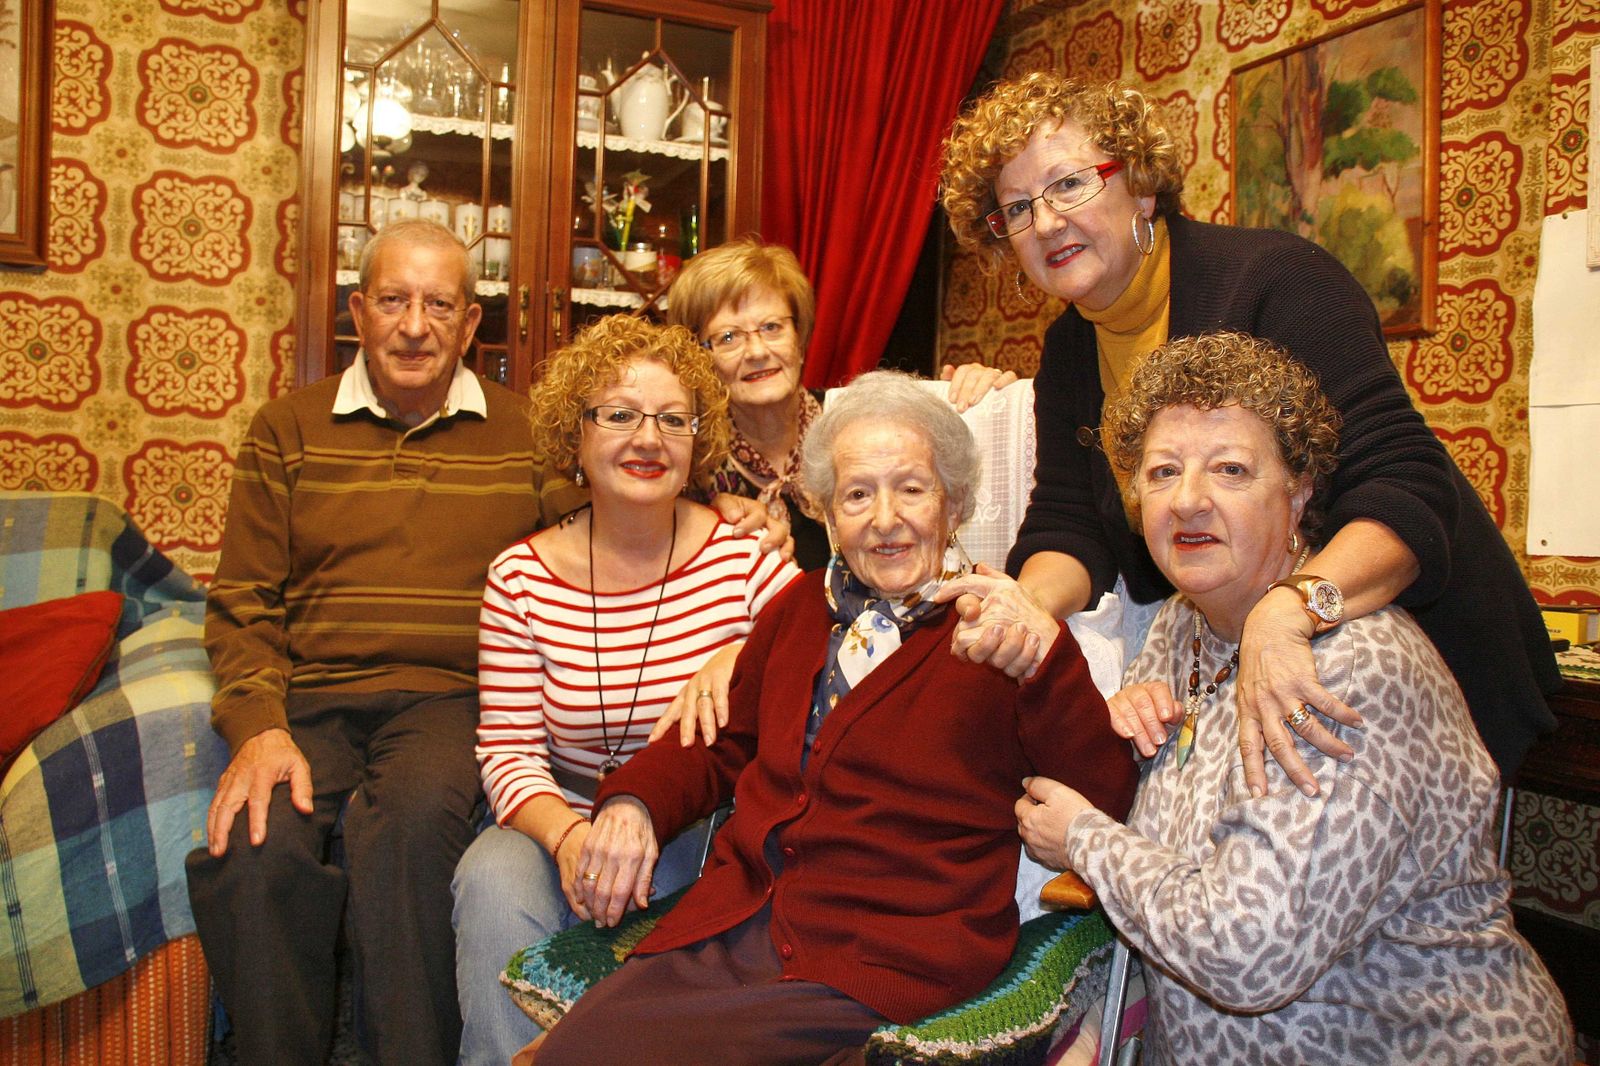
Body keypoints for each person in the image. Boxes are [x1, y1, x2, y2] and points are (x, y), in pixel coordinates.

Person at [187, 220, 778, 1065]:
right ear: (358, 311)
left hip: (441, 697)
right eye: (392, 301)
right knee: (253, 850)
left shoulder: (521, 434)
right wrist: (259, 728)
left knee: (412, 831)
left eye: (439, 305)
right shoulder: (289, 428)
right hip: (311, 697)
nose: (414, 325)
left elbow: (618, 508)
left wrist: (726, 522)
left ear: (470, 325)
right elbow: (241, 598)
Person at [938, 73, 1558, 794]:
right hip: (1259, 681)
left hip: (1420, 676)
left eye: (1069, 184)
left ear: (1141, 185)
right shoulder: (1069, 352)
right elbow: (1069, 524)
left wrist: (1291, 607)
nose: (1044, 222)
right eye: (1016, 208)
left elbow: (1407, 487)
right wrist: (1024, 609)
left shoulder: (1276, 281)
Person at [529, 370, 1138, 1065]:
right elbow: (723, 744)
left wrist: (1044, 662)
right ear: (826, 511)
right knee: (573, 1052)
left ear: (955, 503)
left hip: (887, 956)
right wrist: (634, 801)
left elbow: (1104, 795)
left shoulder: (1000, 631)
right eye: (857, 494)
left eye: (911, 488)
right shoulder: (797, 612)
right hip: (736, 925)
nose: (884, 518)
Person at [1016, 332, 1572, 1062]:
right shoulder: (1183, 626)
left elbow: (1248, 954)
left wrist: (1082, 837)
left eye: (1232, 469)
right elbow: (1173, 850)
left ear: (1300, 491)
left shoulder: (1351, 668)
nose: (1189, 499)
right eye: (1162, 472)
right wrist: (1119, 740)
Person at [451, 316, 801, 1066]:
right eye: (619, 415)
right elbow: (509, 751)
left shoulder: (745, 559)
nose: (649, 438)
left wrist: (741, 652)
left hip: (697, 826)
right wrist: (572, 840)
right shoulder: (518, 579)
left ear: (697, 442)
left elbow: (827, 654)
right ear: (575, 435)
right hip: (559, 820)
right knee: (487, 877)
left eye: (673, 420)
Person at [657, 236, 1016, 743]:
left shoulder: (866, 427)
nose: (757, 350)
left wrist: (984, 397)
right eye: (729, 337)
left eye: (771, 327)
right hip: (760, 704)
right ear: (701, 356)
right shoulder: (690, 471)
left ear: (799, 335)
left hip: (895, 682)